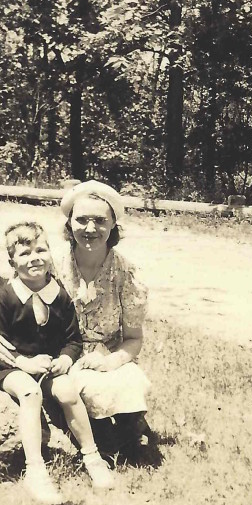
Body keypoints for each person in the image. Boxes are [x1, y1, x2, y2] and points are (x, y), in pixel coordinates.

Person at [0, 220, 115, 504]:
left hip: (50, 365)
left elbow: (73, 339)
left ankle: (91, 456)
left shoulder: (59, 295)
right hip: (12, 367)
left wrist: (65, 359)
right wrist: (24, 364)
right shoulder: (6, 298)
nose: (34, 258)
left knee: (67, 391)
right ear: (11, 261)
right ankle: (36, 470)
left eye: (41, 250)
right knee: (30, 394)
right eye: (25, 254)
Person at [53, 180, 152, 457]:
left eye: (100, 221)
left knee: (129, 382)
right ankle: (106, 438)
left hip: (108, 354)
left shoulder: (126, 273)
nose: (90, 229)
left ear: (112, 226)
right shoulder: (52, 267)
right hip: (62, 354)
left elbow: (133, 339)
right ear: (69, 224)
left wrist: (109, 362)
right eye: (82, 220)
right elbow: (11, 298)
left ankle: (127, 431)